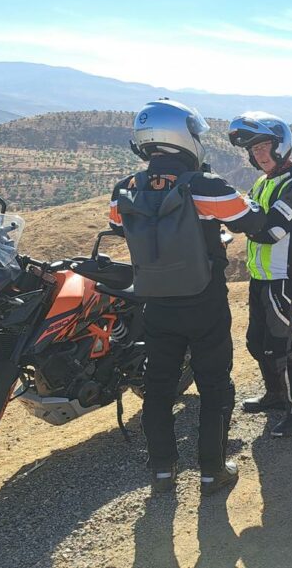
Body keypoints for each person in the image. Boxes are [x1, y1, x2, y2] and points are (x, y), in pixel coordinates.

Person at [110, 99, 266, 495]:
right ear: (183, 137)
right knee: (215, 385)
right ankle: (213, 471)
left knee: (159, 385)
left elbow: (118, 227)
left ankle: (162, 470)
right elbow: (251, 219)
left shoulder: (124, 188)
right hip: (203, 301)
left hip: (155, 302)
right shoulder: (204, 185)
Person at [227, 112, 292, 438]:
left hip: (284, 278)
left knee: (282, 346)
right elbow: (250, 221)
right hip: (261, 277)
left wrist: (240, 219)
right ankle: (276, 394)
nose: (259, 154)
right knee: (257, 342)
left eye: (264, 146)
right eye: (254, 149)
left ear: (281, 146)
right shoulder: (264, 183)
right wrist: (243, 220)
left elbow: (270, 232)